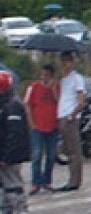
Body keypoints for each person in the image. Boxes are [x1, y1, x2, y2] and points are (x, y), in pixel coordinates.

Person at [0, 71, 32, 214]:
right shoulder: (5, 103)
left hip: (11, 153)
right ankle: (6, 212)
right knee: (4, 185)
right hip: (5, 151)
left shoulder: (12, 105)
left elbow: (15, 134)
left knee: (13, 184)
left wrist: (7, 156)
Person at [23, 64, 59, 195]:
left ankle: (47, 181)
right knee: (37, 155)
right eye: (43, 75)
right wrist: (31, 123)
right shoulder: (33, 87)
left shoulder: (57, 88)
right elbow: (27, 105)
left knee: (51, 155)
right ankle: (35, 182)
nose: (44, 78)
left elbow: (60, 102)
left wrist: (53, 89)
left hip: (53, 126)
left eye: (47, 75)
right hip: (37, 126)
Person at [55, 51, 86, 192]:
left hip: (70, 117)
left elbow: (81, 101)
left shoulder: (77, 79)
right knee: (67, 150)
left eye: (67, 61)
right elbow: (60, 97)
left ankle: (75, 180)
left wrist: (72, 115)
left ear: (72, 62)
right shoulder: (63, 79)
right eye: (62, 61)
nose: (64, 64)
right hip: (62, 114)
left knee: (74, 150)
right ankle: (71, 178)